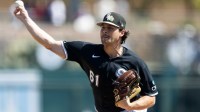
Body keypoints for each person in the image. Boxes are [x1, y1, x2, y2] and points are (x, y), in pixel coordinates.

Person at [14, 1, 158, 112]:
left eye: (110, 28)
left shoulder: (135, 61)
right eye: (103, 27)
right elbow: (50, 44)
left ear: (122, 32)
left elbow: (151, 97)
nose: (104, 31)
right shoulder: (87, 51)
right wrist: (26, 19)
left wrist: (131, 105)